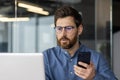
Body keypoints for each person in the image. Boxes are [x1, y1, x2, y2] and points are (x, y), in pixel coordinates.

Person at [43, 6, 117, 80]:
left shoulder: (96, 59)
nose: (63, 34)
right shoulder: (46, 57)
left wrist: (93, 78)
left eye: (68, 28)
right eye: (59, 28)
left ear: (79, 29)